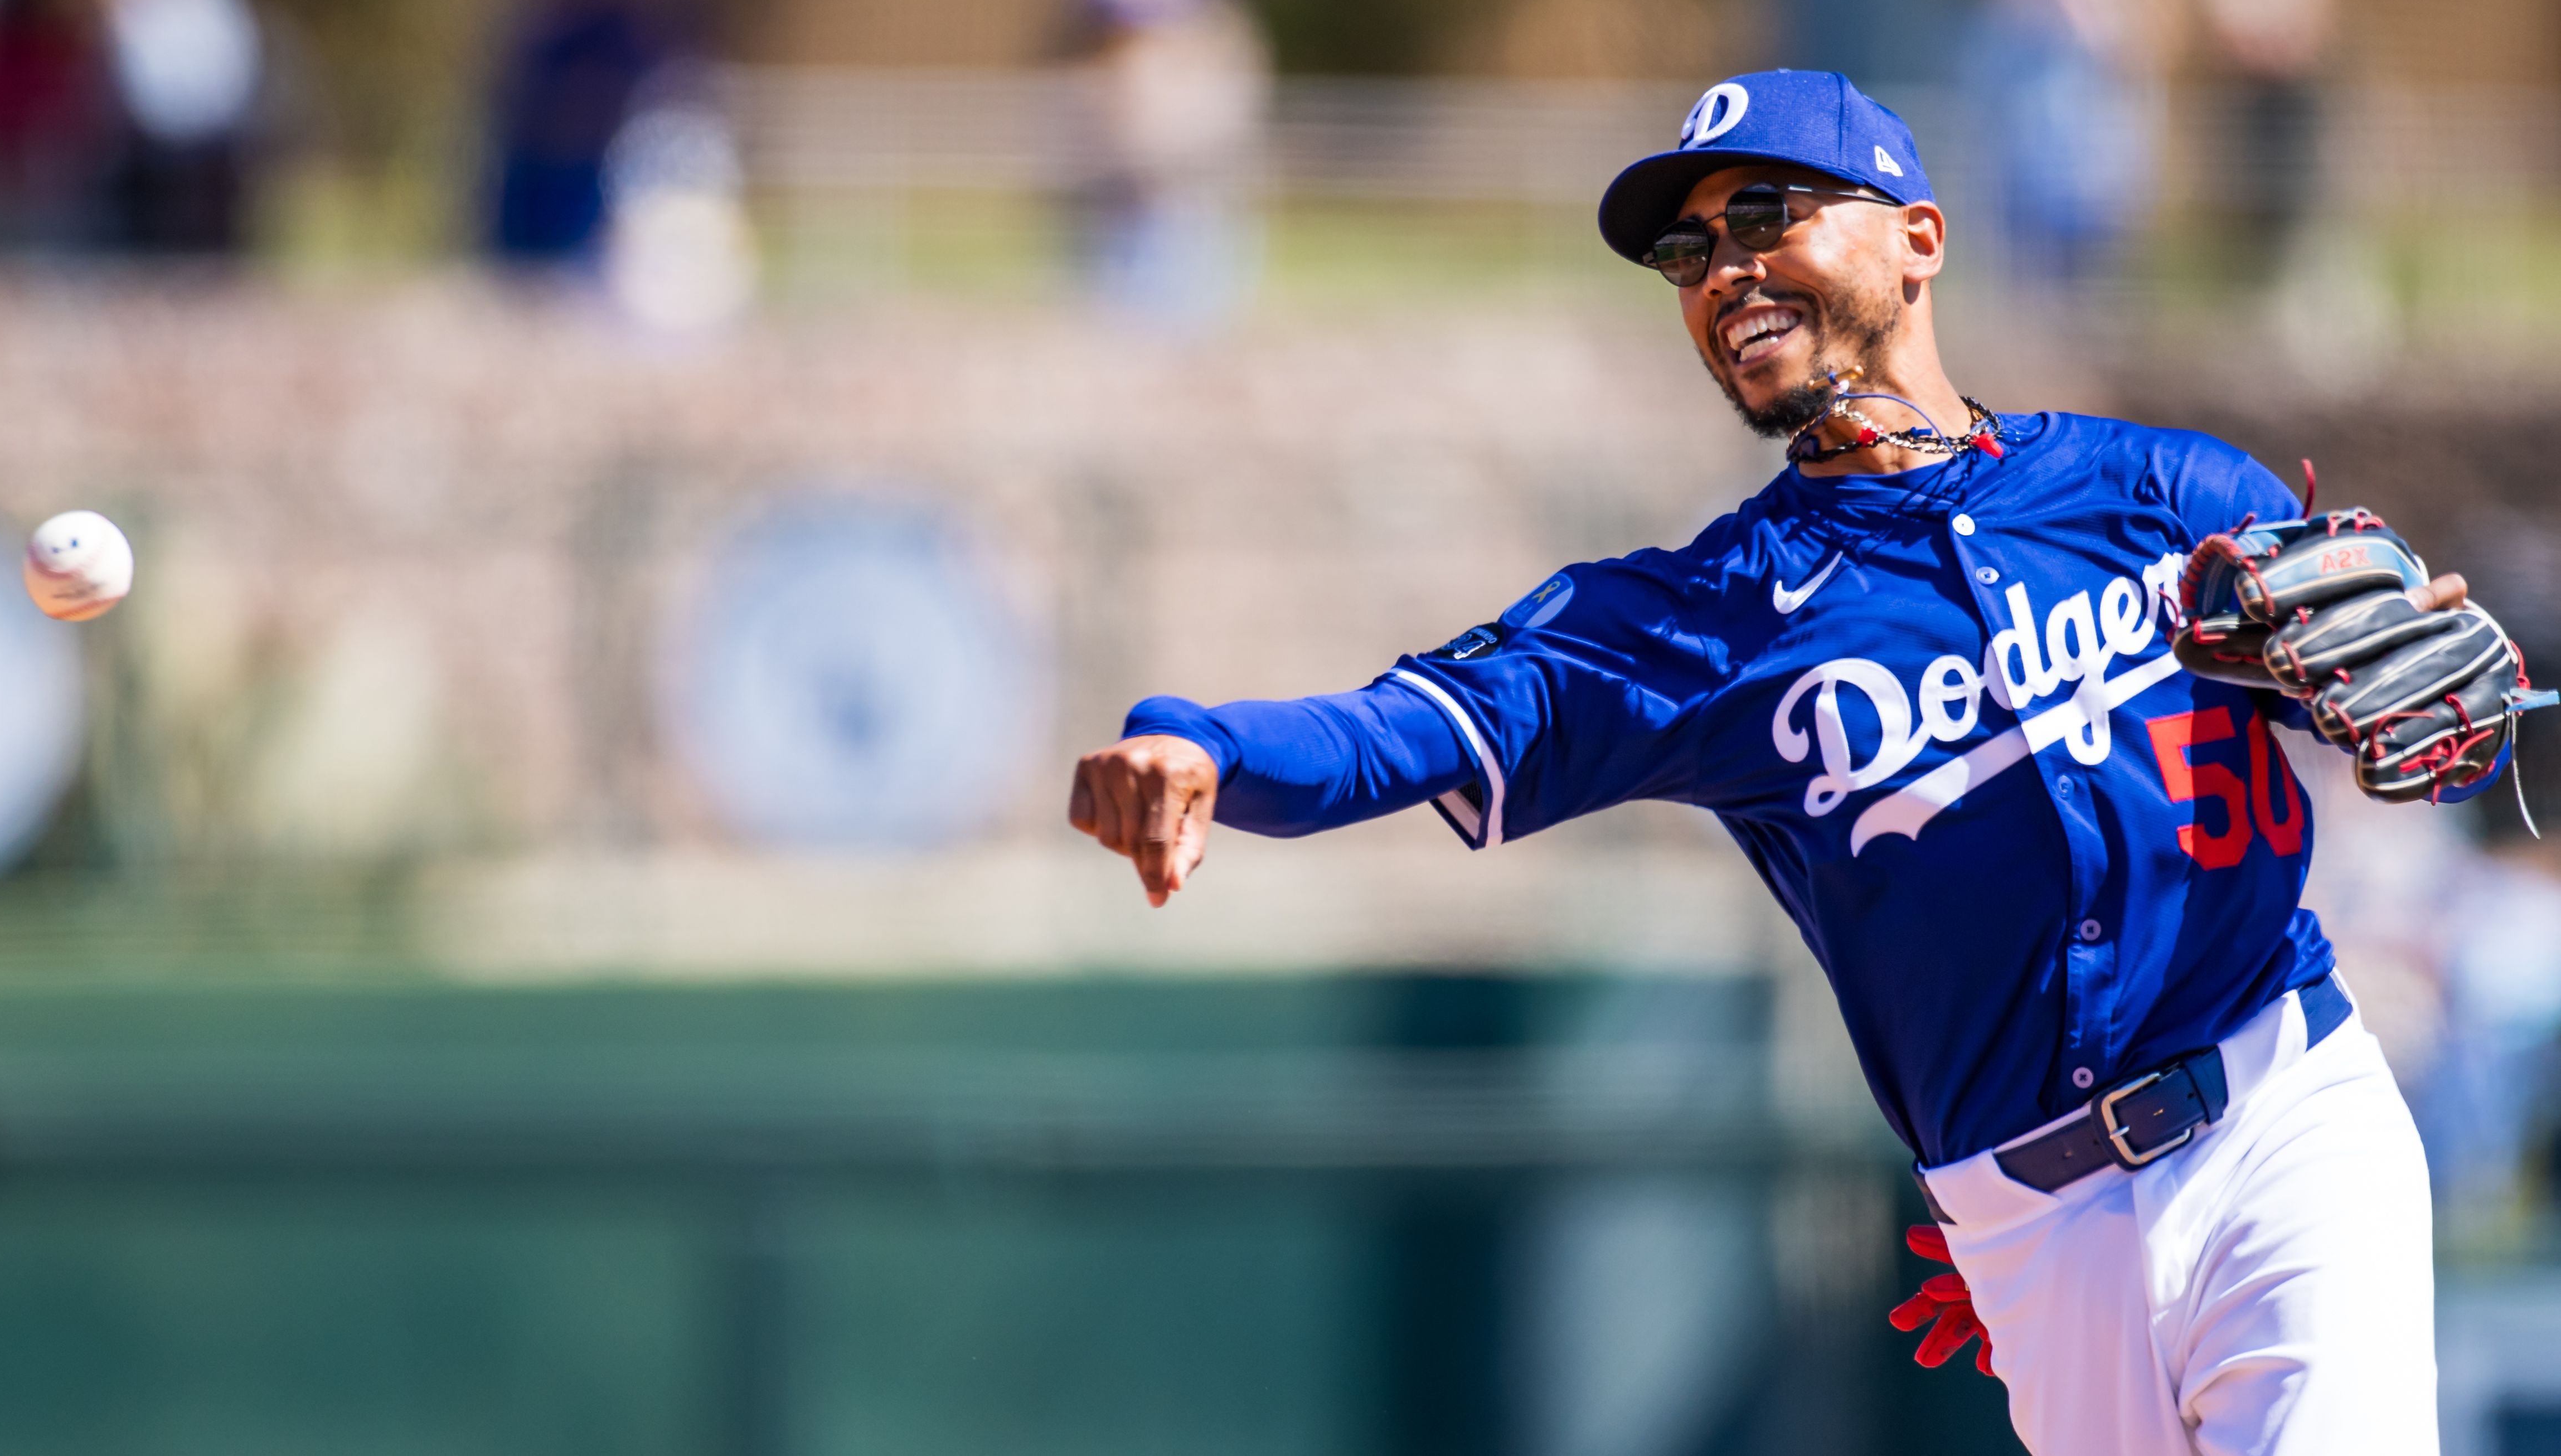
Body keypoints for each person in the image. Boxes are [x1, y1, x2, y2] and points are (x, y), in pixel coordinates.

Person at [1068, 70, 2500, 1455]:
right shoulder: (1704, 619)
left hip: (2284, 1118)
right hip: (2031, 1232)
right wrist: (1208, 742)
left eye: (1769, 218)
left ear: (1917, 239)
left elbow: (2421, 734)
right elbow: (1419, 726)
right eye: (1689, 251)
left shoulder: (2166, 493)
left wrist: (2457, 719)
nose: (1721, 272)